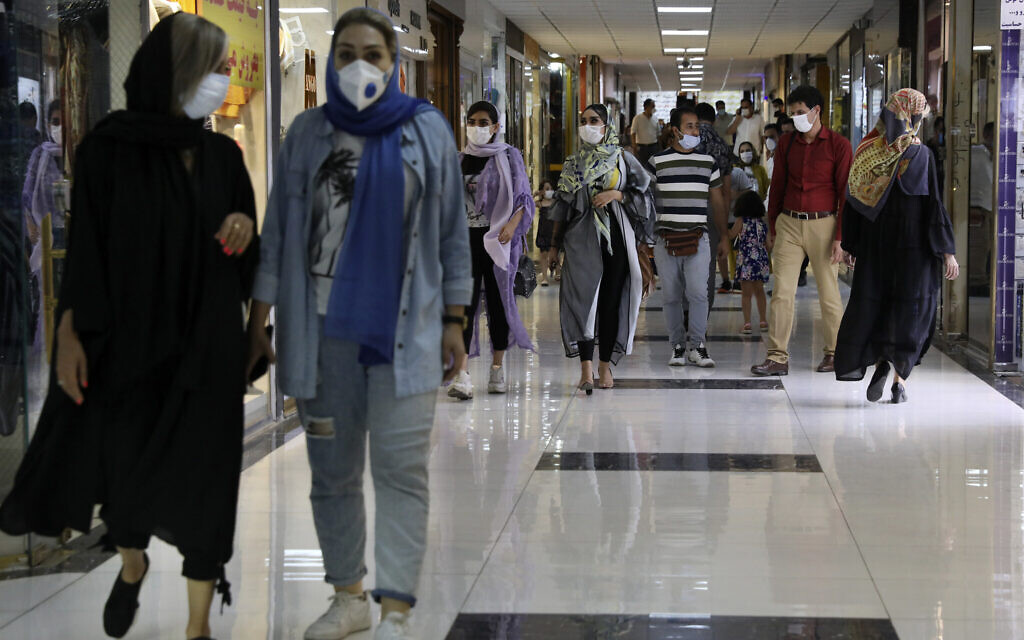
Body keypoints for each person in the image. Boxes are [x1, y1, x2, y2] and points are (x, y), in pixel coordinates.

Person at [0, 14, 257, 640]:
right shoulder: (107, 149)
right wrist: (68, 335)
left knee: (208, 488)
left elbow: (250, 254)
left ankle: (198, 625)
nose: (221, 81)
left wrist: (244, 233)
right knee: (129, 482)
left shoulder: (222, 156)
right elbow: (86, 254)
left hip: (208, 352)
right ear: (176, 75)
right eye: (214, 69)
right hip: (131, 348)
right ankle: (133, 563)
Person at [245, 8, 471, 640]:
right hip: (320, 332)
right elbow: (279, 234)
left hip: (408, 328)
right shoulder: (308, 133)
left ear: (394, 62)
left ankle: (395, 607)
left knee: (401, 471)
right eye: (345, 52)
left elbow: (453, 233)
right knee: (333, 471)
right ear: (331, 58)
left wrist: (455, 318)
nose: (359, 64)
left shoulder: (426, 131)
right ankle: (348, 596)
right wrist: (257, 320)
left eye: (373, 53)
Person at [835, 88, 959, 404]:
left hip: (877, 247)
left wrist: (849, 244)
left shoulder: (868, 151)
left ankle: (880, 362)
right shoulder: (922, 156)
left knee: (879, 305)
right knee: (914, 310)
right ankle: (898, 377)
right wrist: (947, 251)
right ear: (914, 118)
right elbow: (933, 205)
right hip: (915, 249)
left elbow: (853, 202)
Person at [549, 103, 653, 393]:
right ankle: (585, 368)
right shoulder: (573, 163)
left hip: (617, 236)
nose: (588, 125)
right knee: (583, 301)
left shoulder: (624, 159)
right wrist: (553, 246)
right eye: (583, 121)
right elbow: (562, 206)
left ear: (607, 125)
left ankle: (604, 365)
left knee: (609, 302)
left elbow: (644, 194)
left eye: (594, 120)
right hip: (581, 239)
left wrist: (617, 194)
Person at [751, 85, 852, 377]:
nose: (795, 118)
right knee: (782, 291)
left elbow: (845, 194)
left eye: (800, 112)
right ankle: (776, 357)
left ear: (816, 111)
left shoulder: (838, 145)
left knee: (829, 293)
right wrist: (773, 226)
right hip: (789, 224)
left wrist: (840, 238)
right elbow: (777, 185)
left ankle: (834, 353)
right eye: (792, 113)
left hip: (825, 224)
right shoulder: (786, 144)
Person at [448, 100, 535, 400]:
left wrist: (511, 226)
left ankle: (496, 367)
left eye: (484, 122)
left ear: (496, 126)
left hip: (498, 241)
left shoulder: (509, 157)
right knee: (463, 307)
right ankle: (462, 374)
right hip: (464, 243)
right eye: (472, 121)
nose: (477, 127)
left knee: (498, 305)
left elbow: (524, 200)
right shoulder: (459, 160)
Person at [649, 106, 729, 368]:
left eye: (696, 126)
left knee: (698, 293)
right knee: (671, 295)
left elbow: (717, 203)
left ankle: (698, 345)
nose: (696, 131)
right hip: (666, 239)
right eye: (690, 126)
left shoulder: (708, 163)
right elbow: (647, 202)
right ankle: (677, 346)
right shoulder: (657, 162)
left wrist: (724, 236)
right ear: (676, 130)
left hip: (699, 238)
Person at [21, 99, 64, 352]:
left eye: (62, 122)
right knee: (48, 292)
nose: (58, 127)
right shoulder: (41, 154)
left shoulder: (77, 150)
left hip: (70, 231)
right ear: (47, 124)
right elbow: (27, 196)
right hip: (46, 234)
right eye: (55, 122)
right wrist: (31, 228)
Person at [695, 102, 734, 308]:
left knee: (683, 261)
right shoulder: (722, 145)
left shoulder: (686, 141)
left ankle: (686, 312)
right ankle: (702, 314)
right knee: (707, 265)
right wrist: (724, 230)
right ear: (714, 119)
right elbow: (726, 191)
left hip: (686, 208)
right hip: (712, 208)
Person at [730, 190, 770, 334]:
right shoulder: (762, 223)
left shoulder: (741, 221)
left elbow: (731, 234)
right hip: (760, 260)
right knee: (760, 292)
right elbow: (769, 245)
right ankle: (763, 321)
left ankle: (747, 323)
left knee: (746, 294)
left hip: (746, 260)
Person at [968, 122, 995, 292]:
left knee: (988, 244)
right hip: (978, 205)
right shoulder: (977, 154)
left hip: (991, 206)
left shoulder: (997, 156)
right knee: (979, 243)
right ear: (985, 135)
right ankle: (975, 281)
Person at [534, 179, 562, 286]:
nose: (549, 191)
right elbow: (528, 204)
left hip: (554, 231)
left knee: (555, 253)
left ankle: (558, 271)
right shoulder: (540, 203)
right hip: (543, 231)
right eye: (546, 189)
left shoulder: (555, 203)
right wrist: (535, 195)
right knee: (544, 255)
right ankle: (544, 277)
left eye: (550, 189)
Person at [631, 98, 660, 165]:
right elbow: (633, 133)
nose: (654, 108)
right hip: (641, 148)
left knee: (653, 167)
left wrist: (659, 147)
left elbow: (658, 134)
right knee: (642, 167)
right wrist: (634, 147)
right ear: (646, 107)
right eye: (652, 106)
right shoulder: (637, 118)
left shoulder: (655, 119)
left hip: (653, 147)